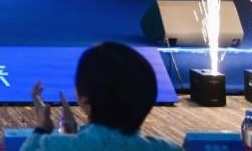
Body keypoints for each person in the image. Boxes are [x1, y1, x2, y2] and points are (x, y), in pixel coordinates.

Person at [23, 41, 182, 150]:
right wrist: (72, 134)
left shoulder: (50, 145)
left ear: (84, 99)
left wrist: (42, 128)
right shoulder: (169, 148)